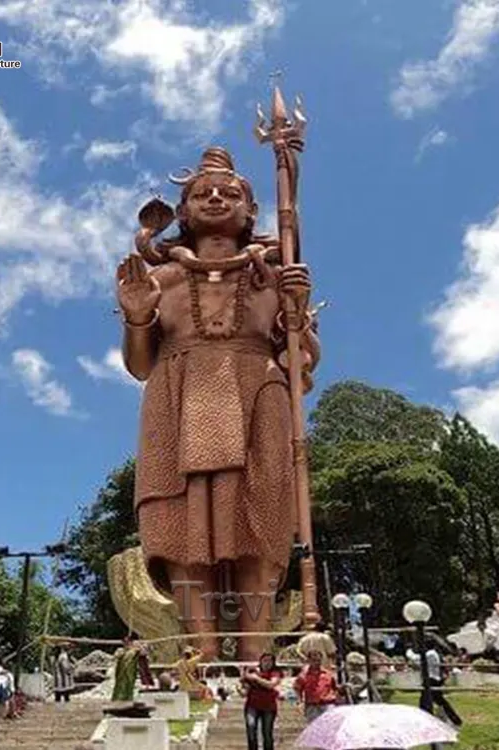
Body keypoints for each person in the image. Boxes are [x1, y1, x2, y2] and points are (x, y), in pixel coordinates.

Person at [118, 147, 321, 661]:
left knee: (259, 523)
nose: (214, 198)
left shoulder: (274, 276)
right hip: (176, 394)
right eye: (201, 193)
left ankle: (257, 657)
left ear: (250, 212)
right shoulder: (160, 278)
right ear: (182, 213)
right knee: (183, 530)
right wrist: (138, 317)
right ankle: (199, 655)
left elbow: (299, 365)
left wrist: (297, 313)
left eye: (229, 193)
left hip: (257, 390)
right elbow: (141, 365)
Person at [241, 653, 282, 750]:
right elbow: (244, 691)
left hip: (269, 707)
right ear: (260, 662)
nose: (267, 663)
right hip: (252, 706)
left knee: (267, 733)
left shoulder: (275, 673)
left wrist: (256, 678)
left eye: (270, 661)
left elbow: (270, 685)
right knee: (251, 729)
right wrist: (240, 687)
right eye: (265, 660)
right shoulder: (253, 672)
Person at [421, 639, 462, 726]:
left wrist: (409, 652)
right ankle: (455, 719)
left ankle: (424, 718)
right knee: (438, 700)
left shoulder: (429, 654)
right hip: (434, 678)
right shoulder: (434, 653)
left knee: (426, 700)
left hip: (431, 679)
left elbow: (417, 660)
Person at [293, 650, 338, 724]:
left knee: (329, 726)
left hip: (327, 704)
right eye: (314, 660)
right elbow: (297, 688)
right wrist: (299, 701)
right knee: (314, 727)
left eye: (318, 660)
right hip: (312, 706)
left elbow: (335, 688)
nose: (316, 662)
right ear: (309, 661)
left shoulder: (328, 674)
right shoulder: (303, 675)